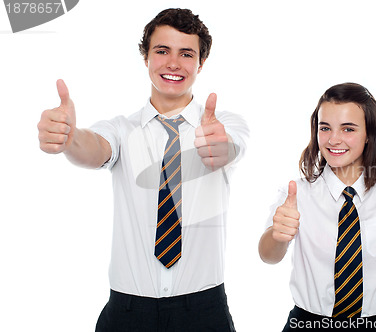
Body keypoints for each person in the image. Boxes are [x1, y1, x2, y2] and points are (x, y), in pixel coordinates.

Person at [37, 8, 248, 332]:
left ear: (201, 64)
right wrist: (70, 138)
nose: (173, 63)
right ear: (145, 56)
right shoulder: (120, 130)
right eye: (162, 51)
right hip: (127, 312)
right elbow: (94, 148)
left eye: (186, 54)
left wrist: (218, 146)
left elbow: (228, 147)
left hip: (204, 311)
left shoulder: (225, 125)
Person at [258, 83, 376, 331]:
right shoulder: (296, 194)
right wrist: (278, 236)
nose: (334, 139)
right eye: (325, 128)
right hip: (307, 323)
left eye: (348, 129)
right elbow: (268, 256)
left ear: (369, 134)